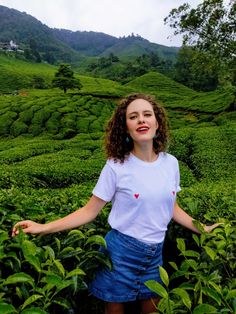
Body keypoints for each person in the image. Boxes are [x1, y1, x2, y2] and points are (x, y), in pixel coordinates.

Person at [12, 93, 219, 314]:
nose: (141, 120)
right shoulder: (116, 166)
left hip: (155, 254)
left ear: (157, 123)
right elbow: (89, 211)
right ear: (125, 127)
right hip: (120, 253)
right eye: (133, 116)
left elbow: (172, 208)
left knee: (154, 309)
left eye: (147, 114)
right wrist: (43, 227)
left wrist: (203, 229)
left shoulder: (171, 164)